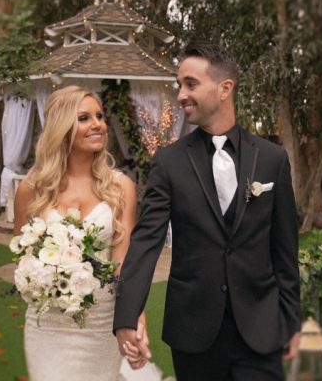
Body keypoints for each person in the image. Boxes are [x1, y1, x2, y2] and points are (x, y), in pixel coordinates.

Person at [114, 44, 301, 380]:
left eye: (190, 83)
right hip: (194, 332)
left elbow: (285, 250)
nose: (181, 94)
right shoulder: (169, 162)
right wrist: (127, 317)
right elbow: (145, 241)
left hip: (261, 329)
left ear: (224, 88)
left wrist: (291, 320)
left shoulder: (273, 159)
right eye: (179, 85)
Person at [13, 85, 147, 381]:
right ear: (61, 126)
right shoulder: (31, 189)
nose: (98, 124)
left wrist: (134, 317)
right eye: (84, 118)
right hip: (47, 324)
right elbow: (22, 257)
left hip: (101, 322)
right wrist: (45, 277)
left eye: (99, 116)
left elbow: (124, 264)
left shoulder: (120, 187)